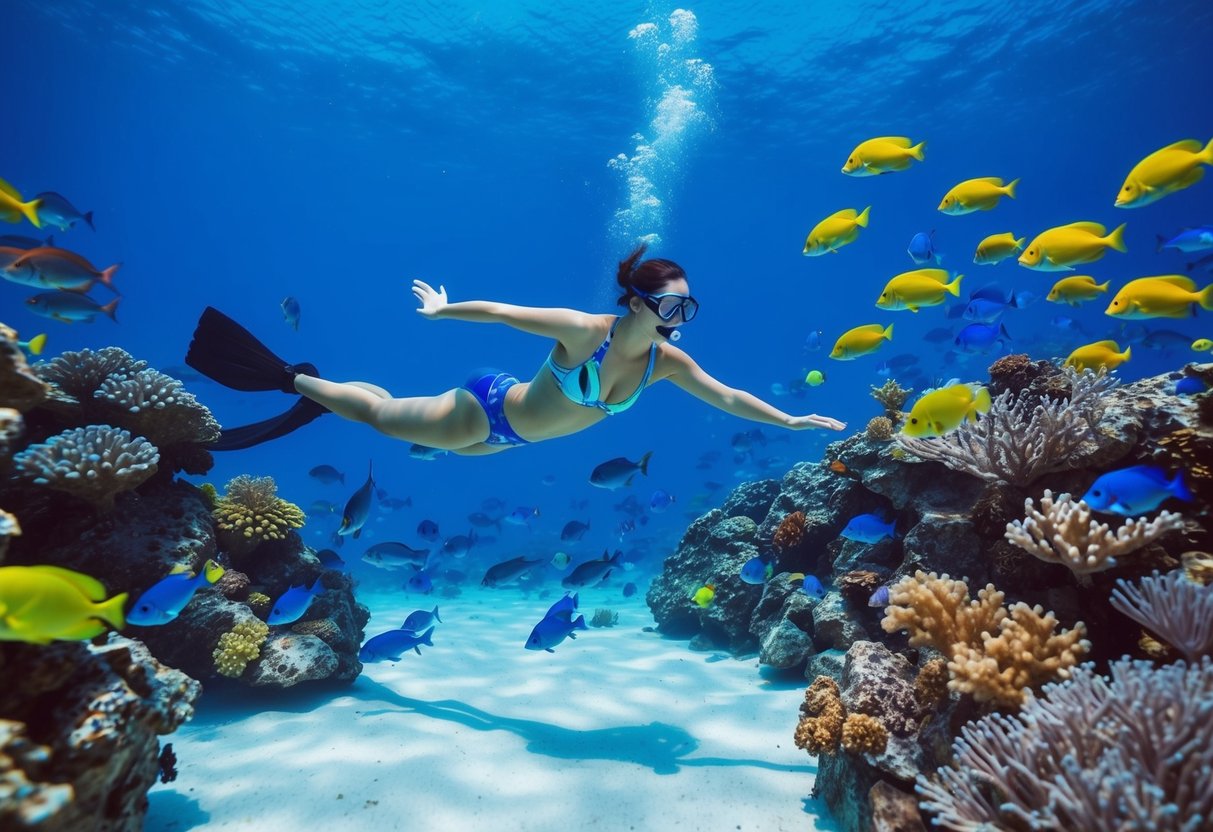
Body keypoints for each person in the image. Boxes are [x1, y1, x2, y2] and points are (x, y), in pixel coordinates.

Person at [185, 245, 847, 453]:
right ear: (638, 304)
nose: (681, 318)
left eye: (688, 307)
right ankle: (293, 378)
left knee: (390, 408)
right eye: (672, 305)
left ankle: (329, 390)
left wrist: (789, 420)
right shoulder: (586, 331)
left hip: (512, 442)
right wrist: (443, 310)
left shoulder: (665, 364)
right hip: (484, 412)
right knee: (379, 417)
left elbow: (727, 396)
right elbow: (503, 313)